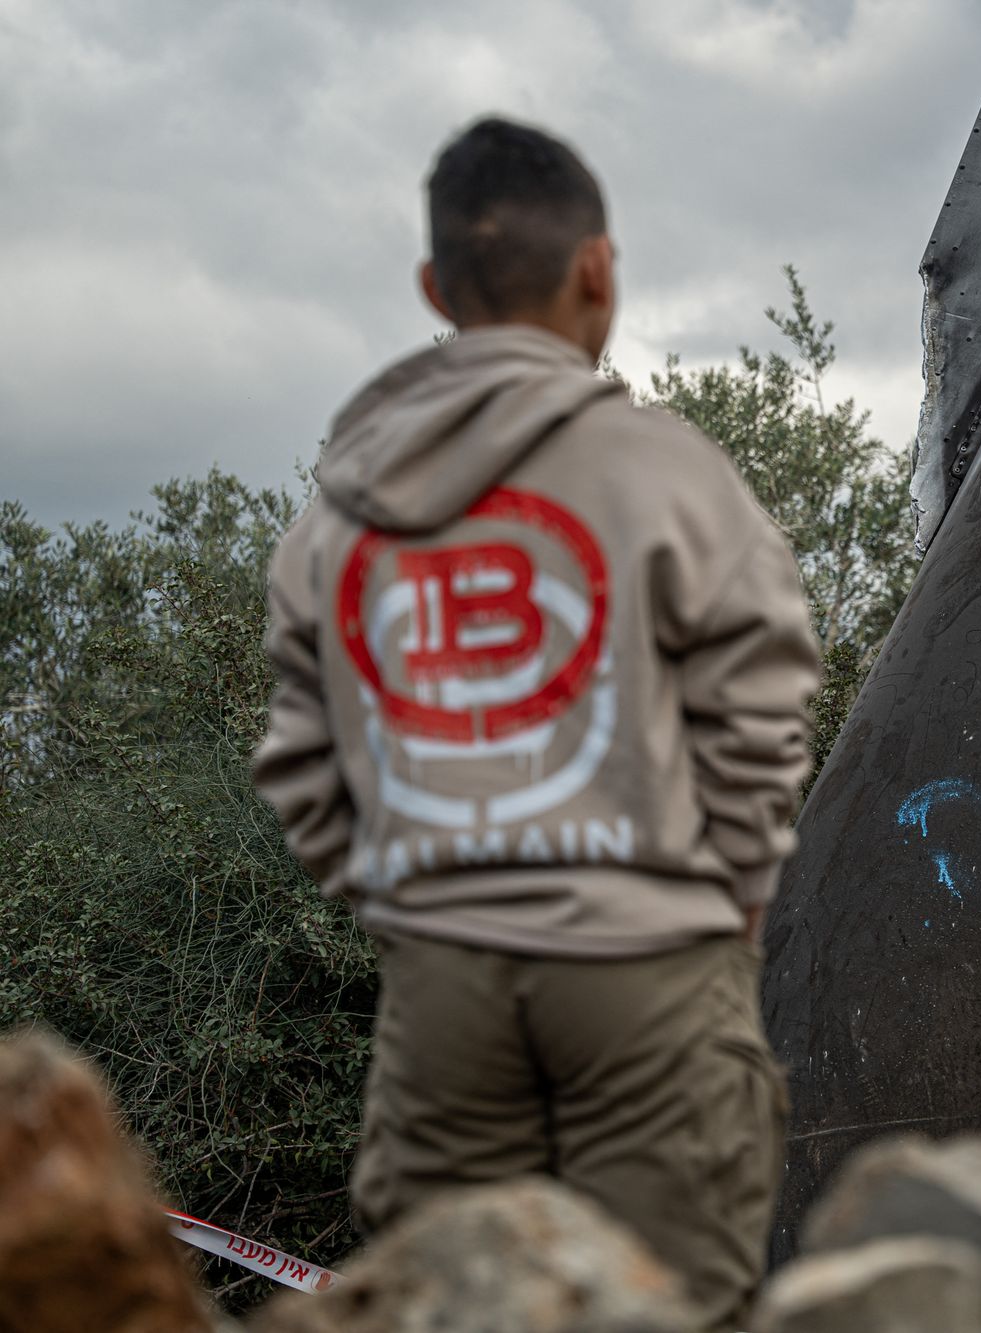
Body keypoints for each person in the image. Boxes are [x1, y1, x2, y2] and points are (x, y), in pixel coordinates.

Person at [253, 116, 820, 1331]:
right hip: (648, 958)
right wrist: (732, 894)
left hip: (442, 981)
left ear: (431, 288)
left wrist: (415, 896)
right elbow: (764, 691)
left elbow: (298, 760)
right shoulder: (664, 469)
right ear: (598, 269)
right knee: (672, 1302)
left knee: (452, 1302)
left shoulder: (333, 518)